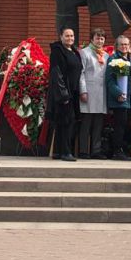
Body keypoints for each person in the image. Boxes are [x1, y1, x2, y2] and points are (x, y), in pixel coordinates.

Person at [46, 26, 82, 161]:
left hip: (73, 92)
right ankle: (66, 152)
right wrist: (63, 94)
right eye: (67, 36)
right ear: (61, 37)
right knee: (67, 122)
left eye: (72, 36)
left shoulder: (74, 52)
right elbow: (56, 74)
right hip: (63, 94)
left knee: (64, 122)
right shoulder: (57, 52)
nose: (70, 38)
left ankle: (58, 152)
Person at [106, 34, 131, 160]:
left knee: (127, 124)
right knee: (119, 125)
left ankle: (124, 149)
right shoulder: (114, 59)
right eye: (121, 44)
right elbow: (110, 80)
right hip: (120, 99)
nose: (124, 46)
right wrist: (118, 94)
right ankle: (117, 151)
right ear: (117, 46)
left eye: (126, 44)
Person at [78, 28, 108, 159]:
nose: (99, 41)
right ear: (92, 39)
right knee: (86, 123)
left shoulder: (106, 55)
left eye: (102, 38)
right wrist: (83, 90)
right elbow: (81, 73)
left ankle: (96, 150)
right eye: (97, 38)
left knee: (98, 123)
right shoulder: (84, 53)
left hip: (101, 93)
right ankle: (83, 151)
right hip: (89, 92)